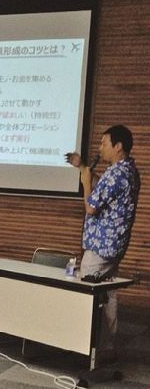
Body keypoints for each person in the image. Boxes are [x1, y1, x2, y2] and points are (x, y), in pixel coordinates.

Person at [66, 125, 141, 359]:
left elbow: (91, 206)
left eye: (104, 144)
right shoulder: (127, 170)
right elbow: (104, 190)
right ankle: (106, 347)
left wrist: (86, 181)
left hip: (102, 246)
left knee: (89, 295)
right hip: (113, 245)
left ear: (118, 147)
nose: (100, 148)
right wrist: (83, 168)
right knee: (107, 295)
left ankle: (87, 348)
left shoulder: (116, 173)